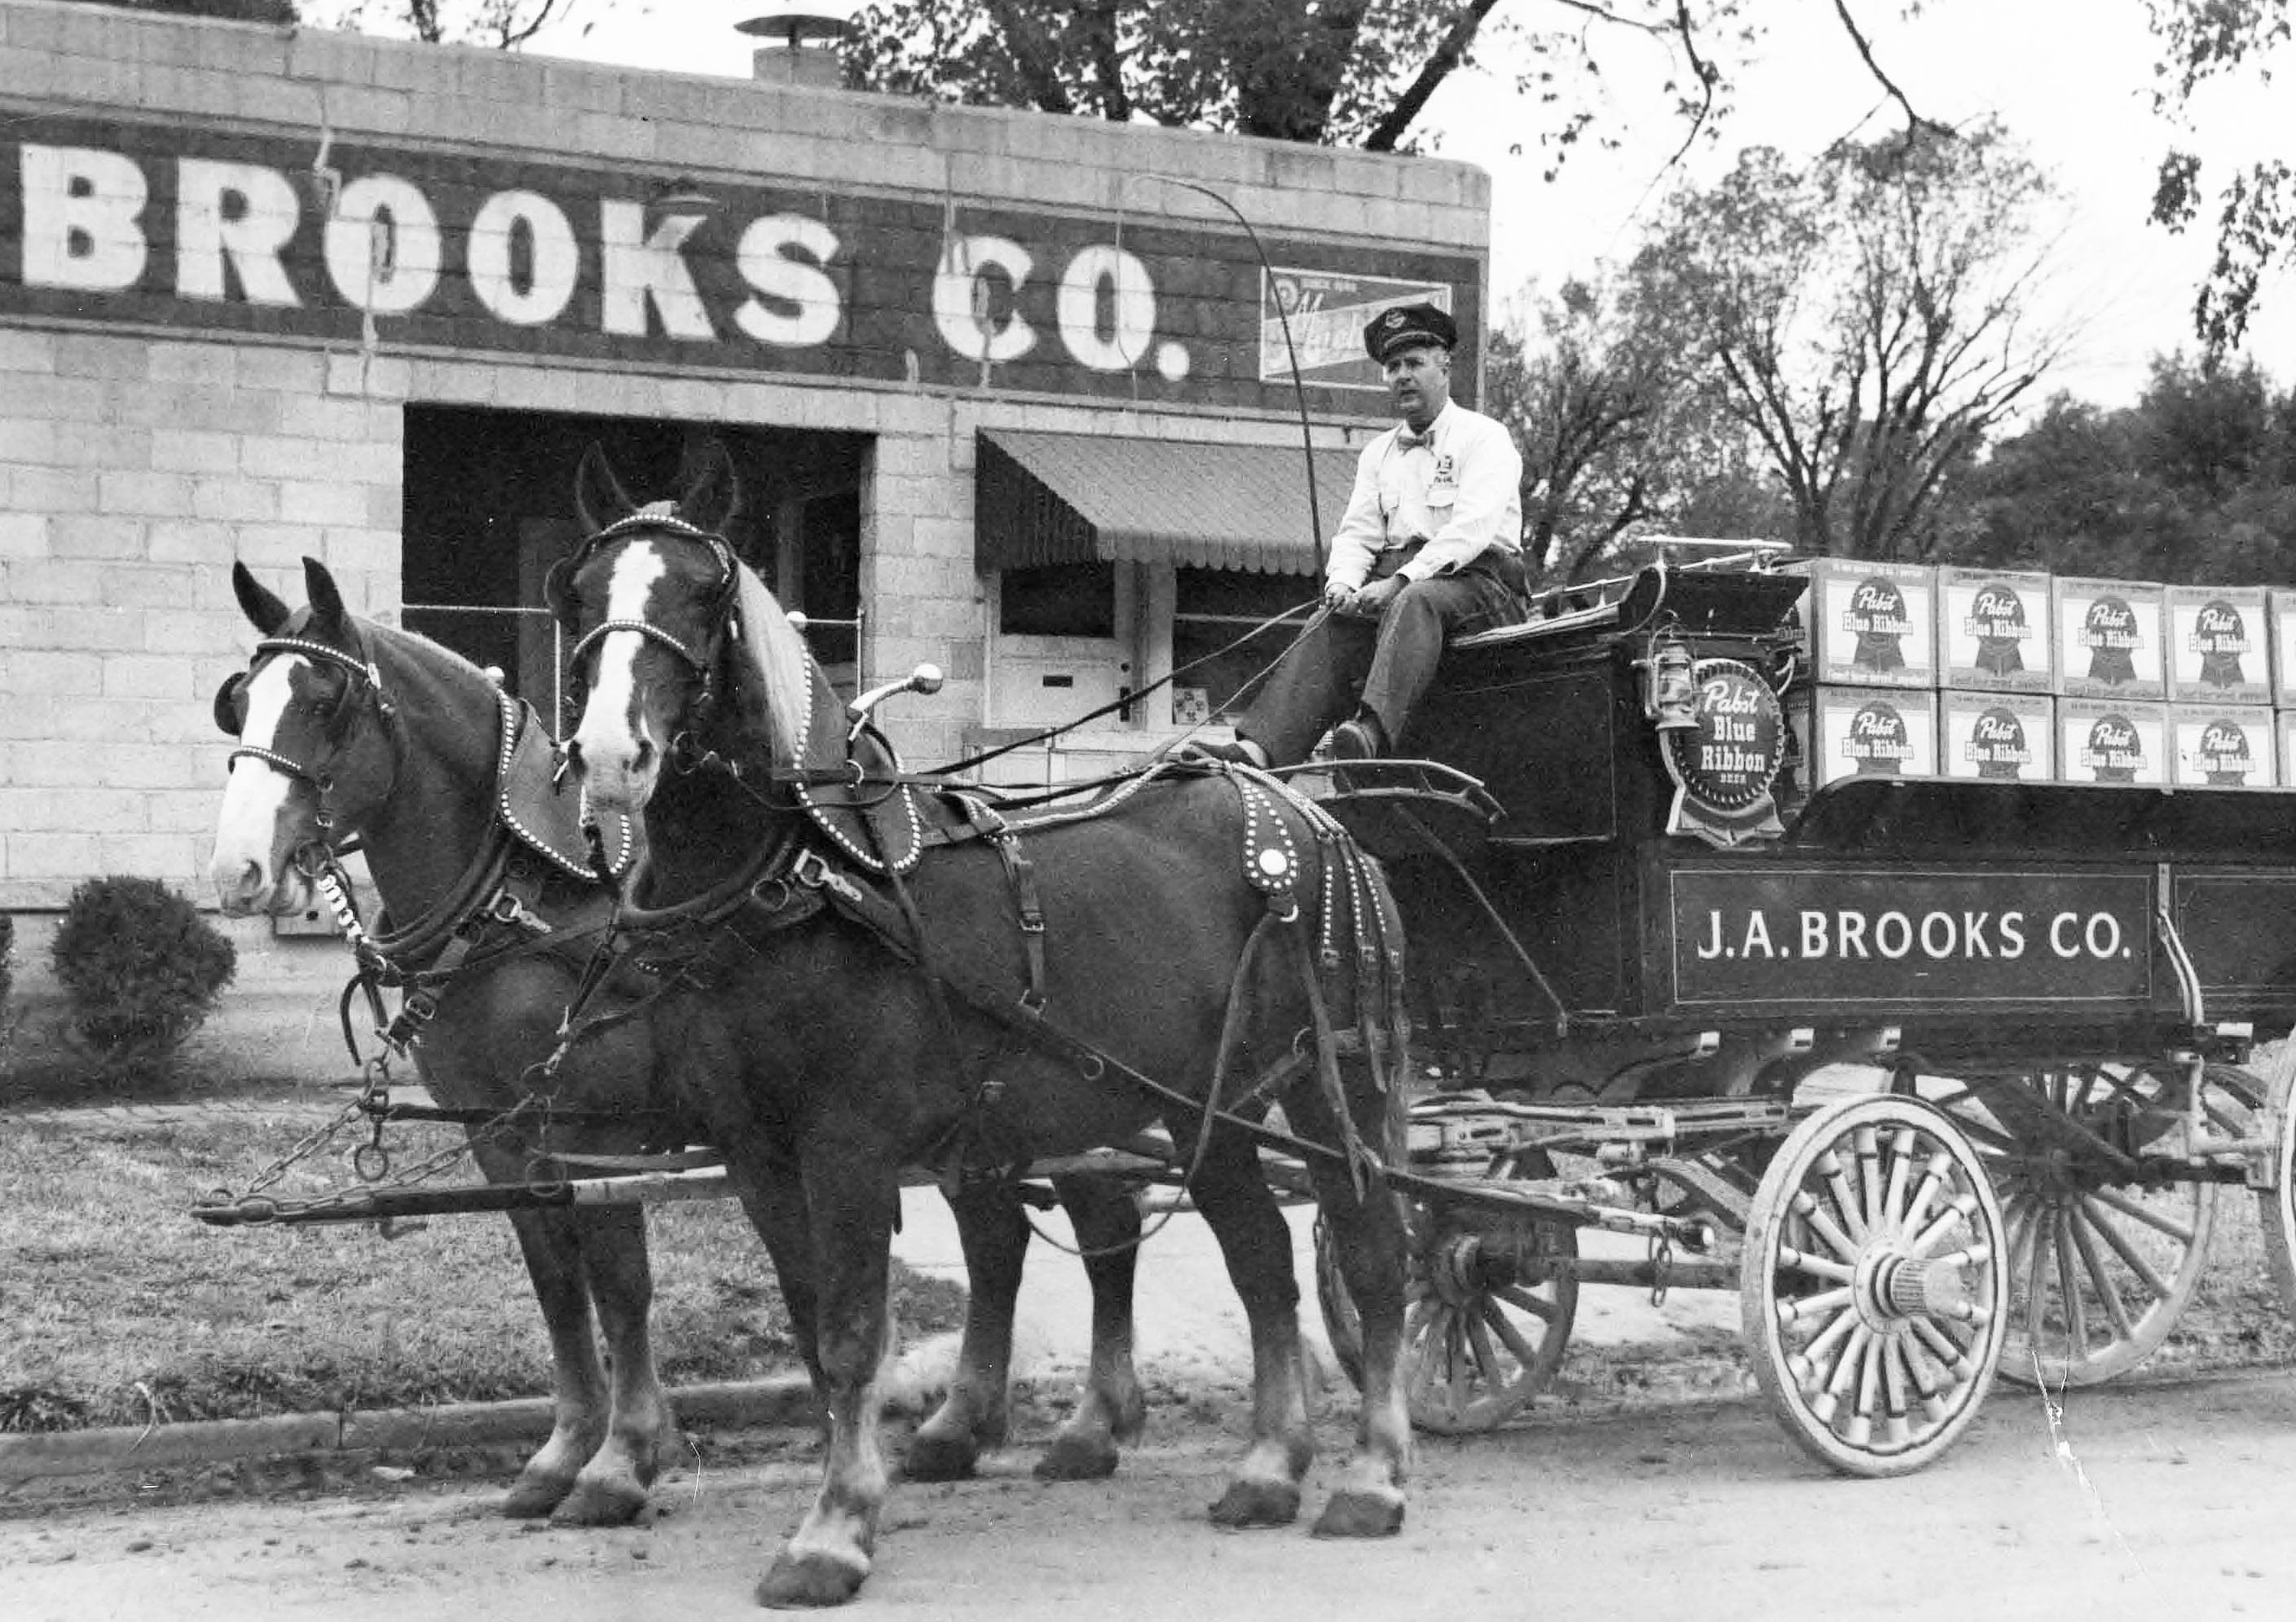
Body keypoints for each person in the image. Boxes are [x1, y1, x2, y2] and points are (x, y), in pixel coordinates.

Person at [1196, 301, 1526, 769]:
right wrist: (1343, 585)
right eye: (1393, 367)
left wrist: (1400, 581)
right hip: (1411, 585)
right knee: (1326, 622)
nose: (1402, 376)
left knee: (1417, 601)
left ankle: (1369, 732)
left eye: (1414, 363)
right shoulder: (1377, 454)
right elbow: (1358, 534)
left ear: (1445, 367)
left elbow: (1470, 531)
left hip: (1482, 586)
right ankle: (1260, 751)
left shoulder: (1484, 437)